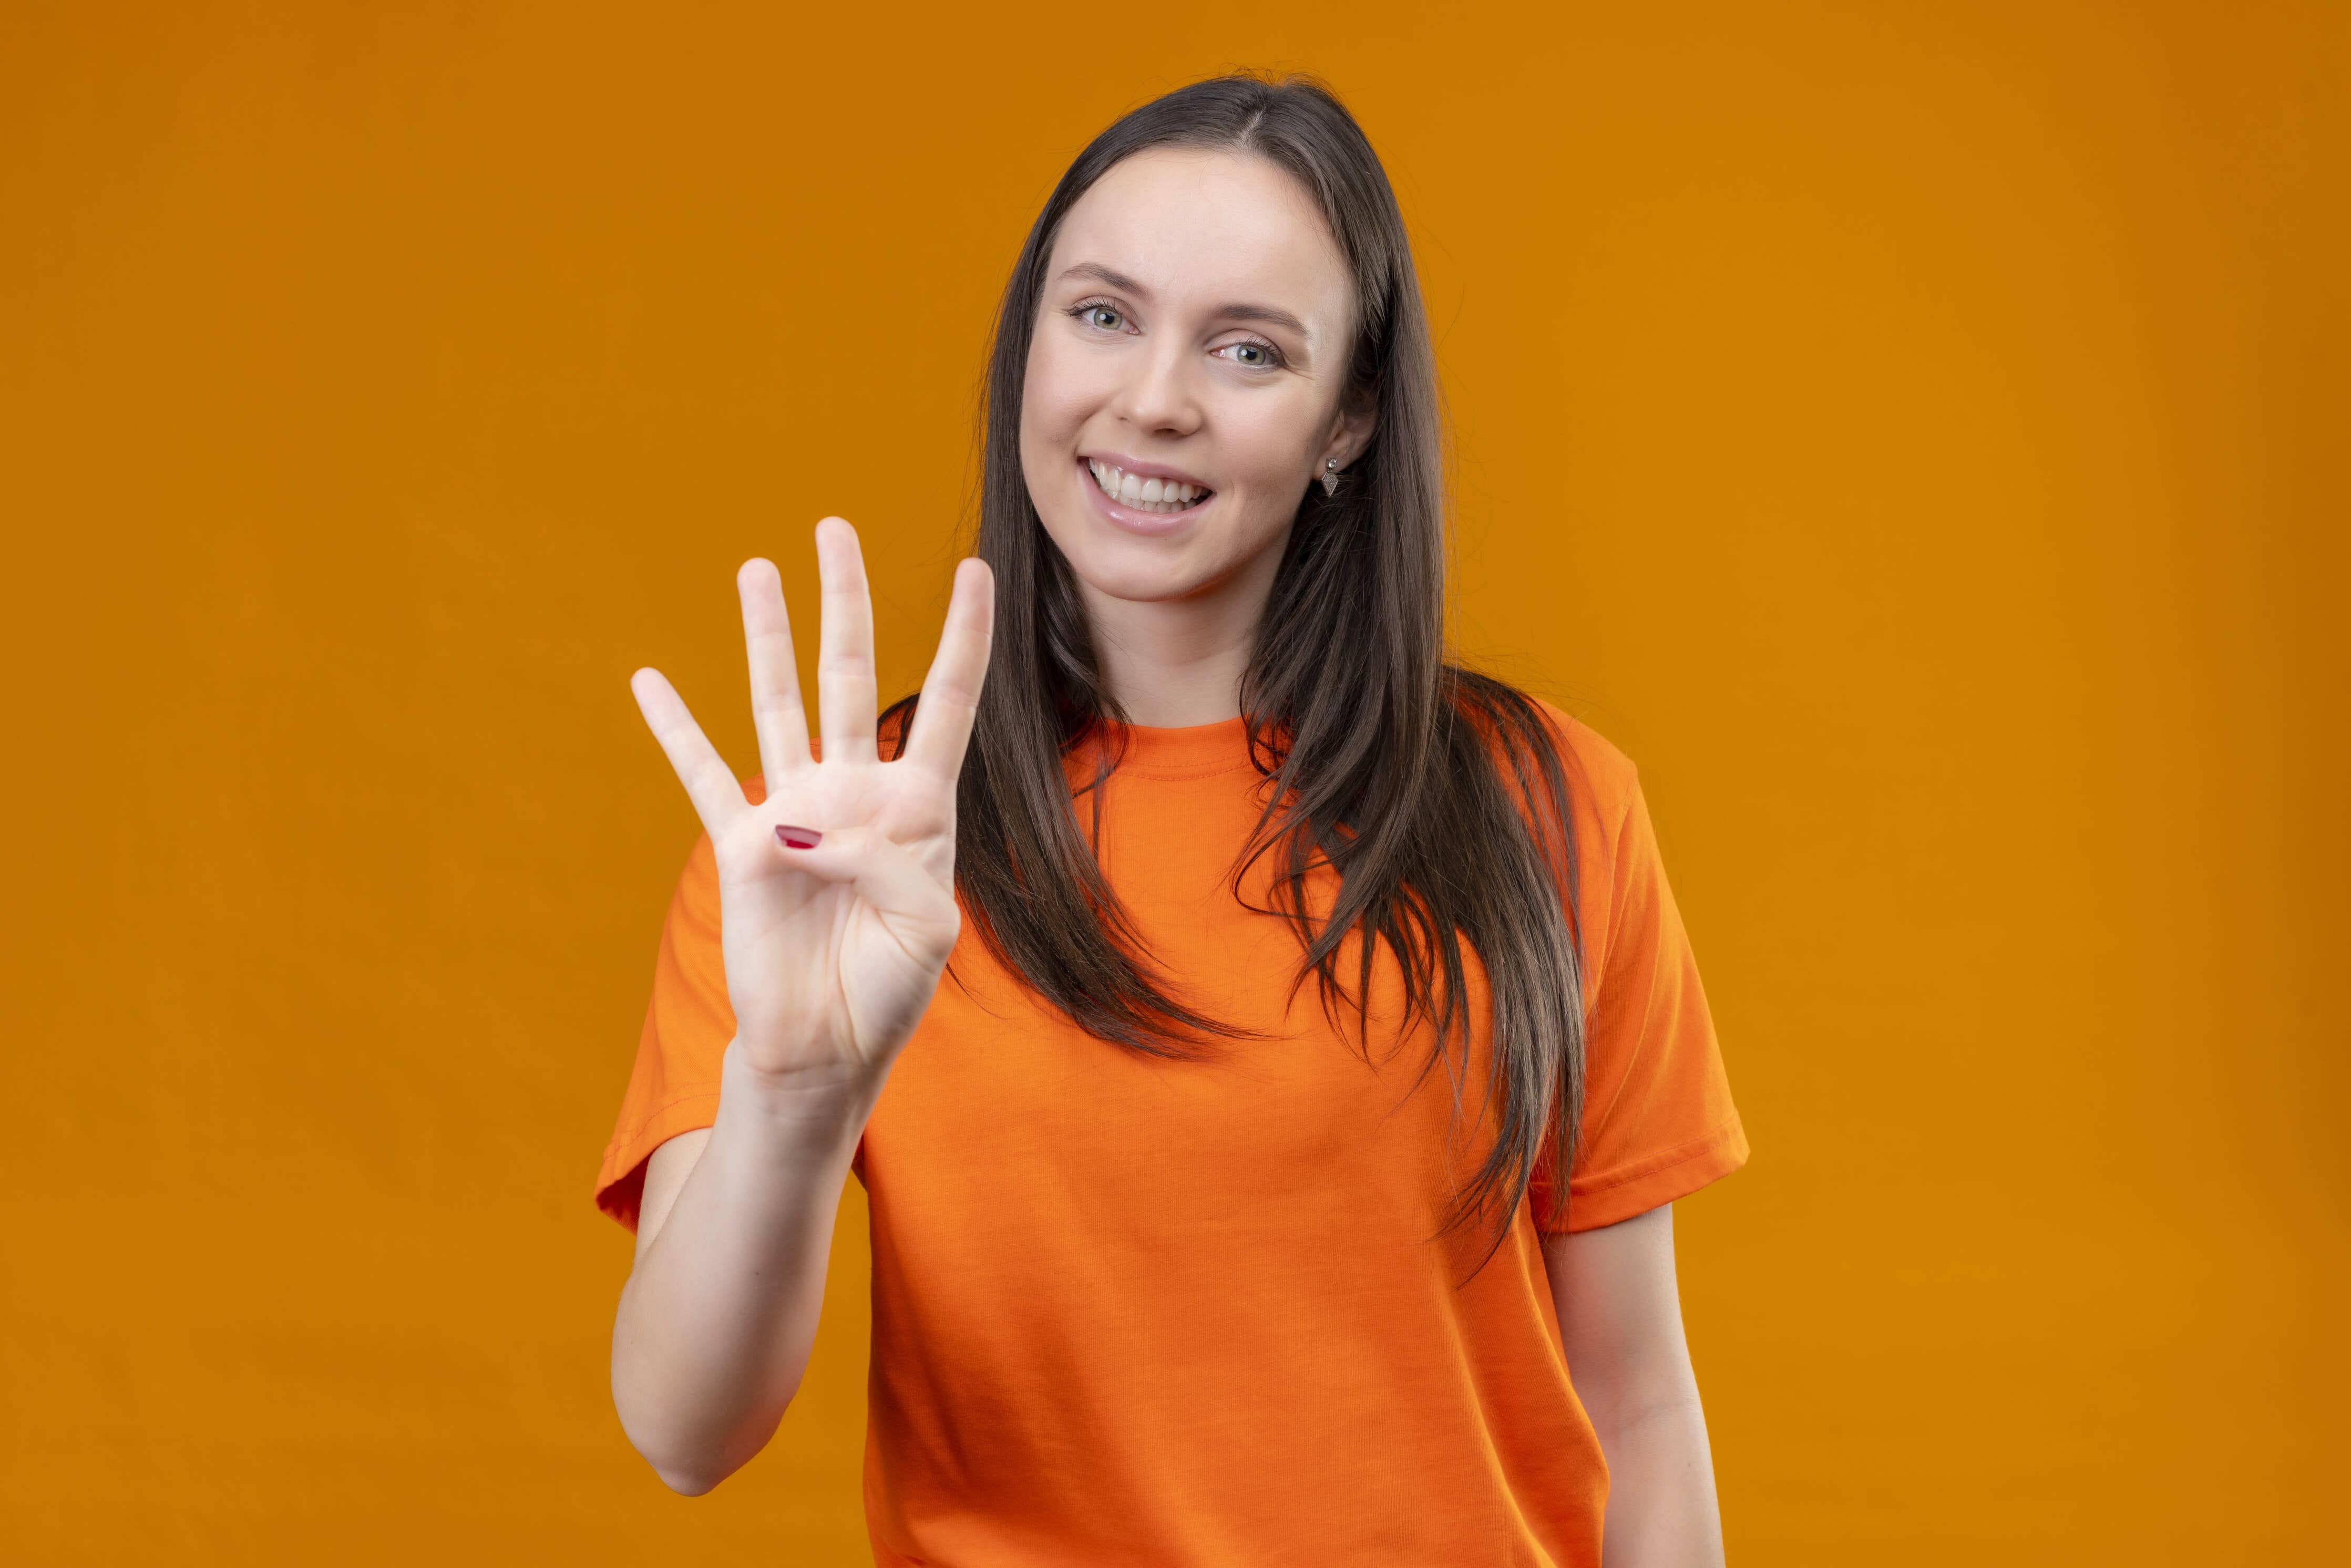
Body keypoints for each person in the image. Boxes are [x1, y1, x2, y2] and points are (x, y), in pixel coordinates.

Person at [596, 71, 1748, 1567]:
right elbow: (686, 1435)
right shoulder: (828, 856)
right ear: (1029, 350)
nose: (1152, 397)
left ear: (1348, 419)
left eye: (1248, 348)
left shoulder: (1548, 805)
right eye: (1100, 315)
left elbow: (1638, 1408)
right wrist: (794, 1098)